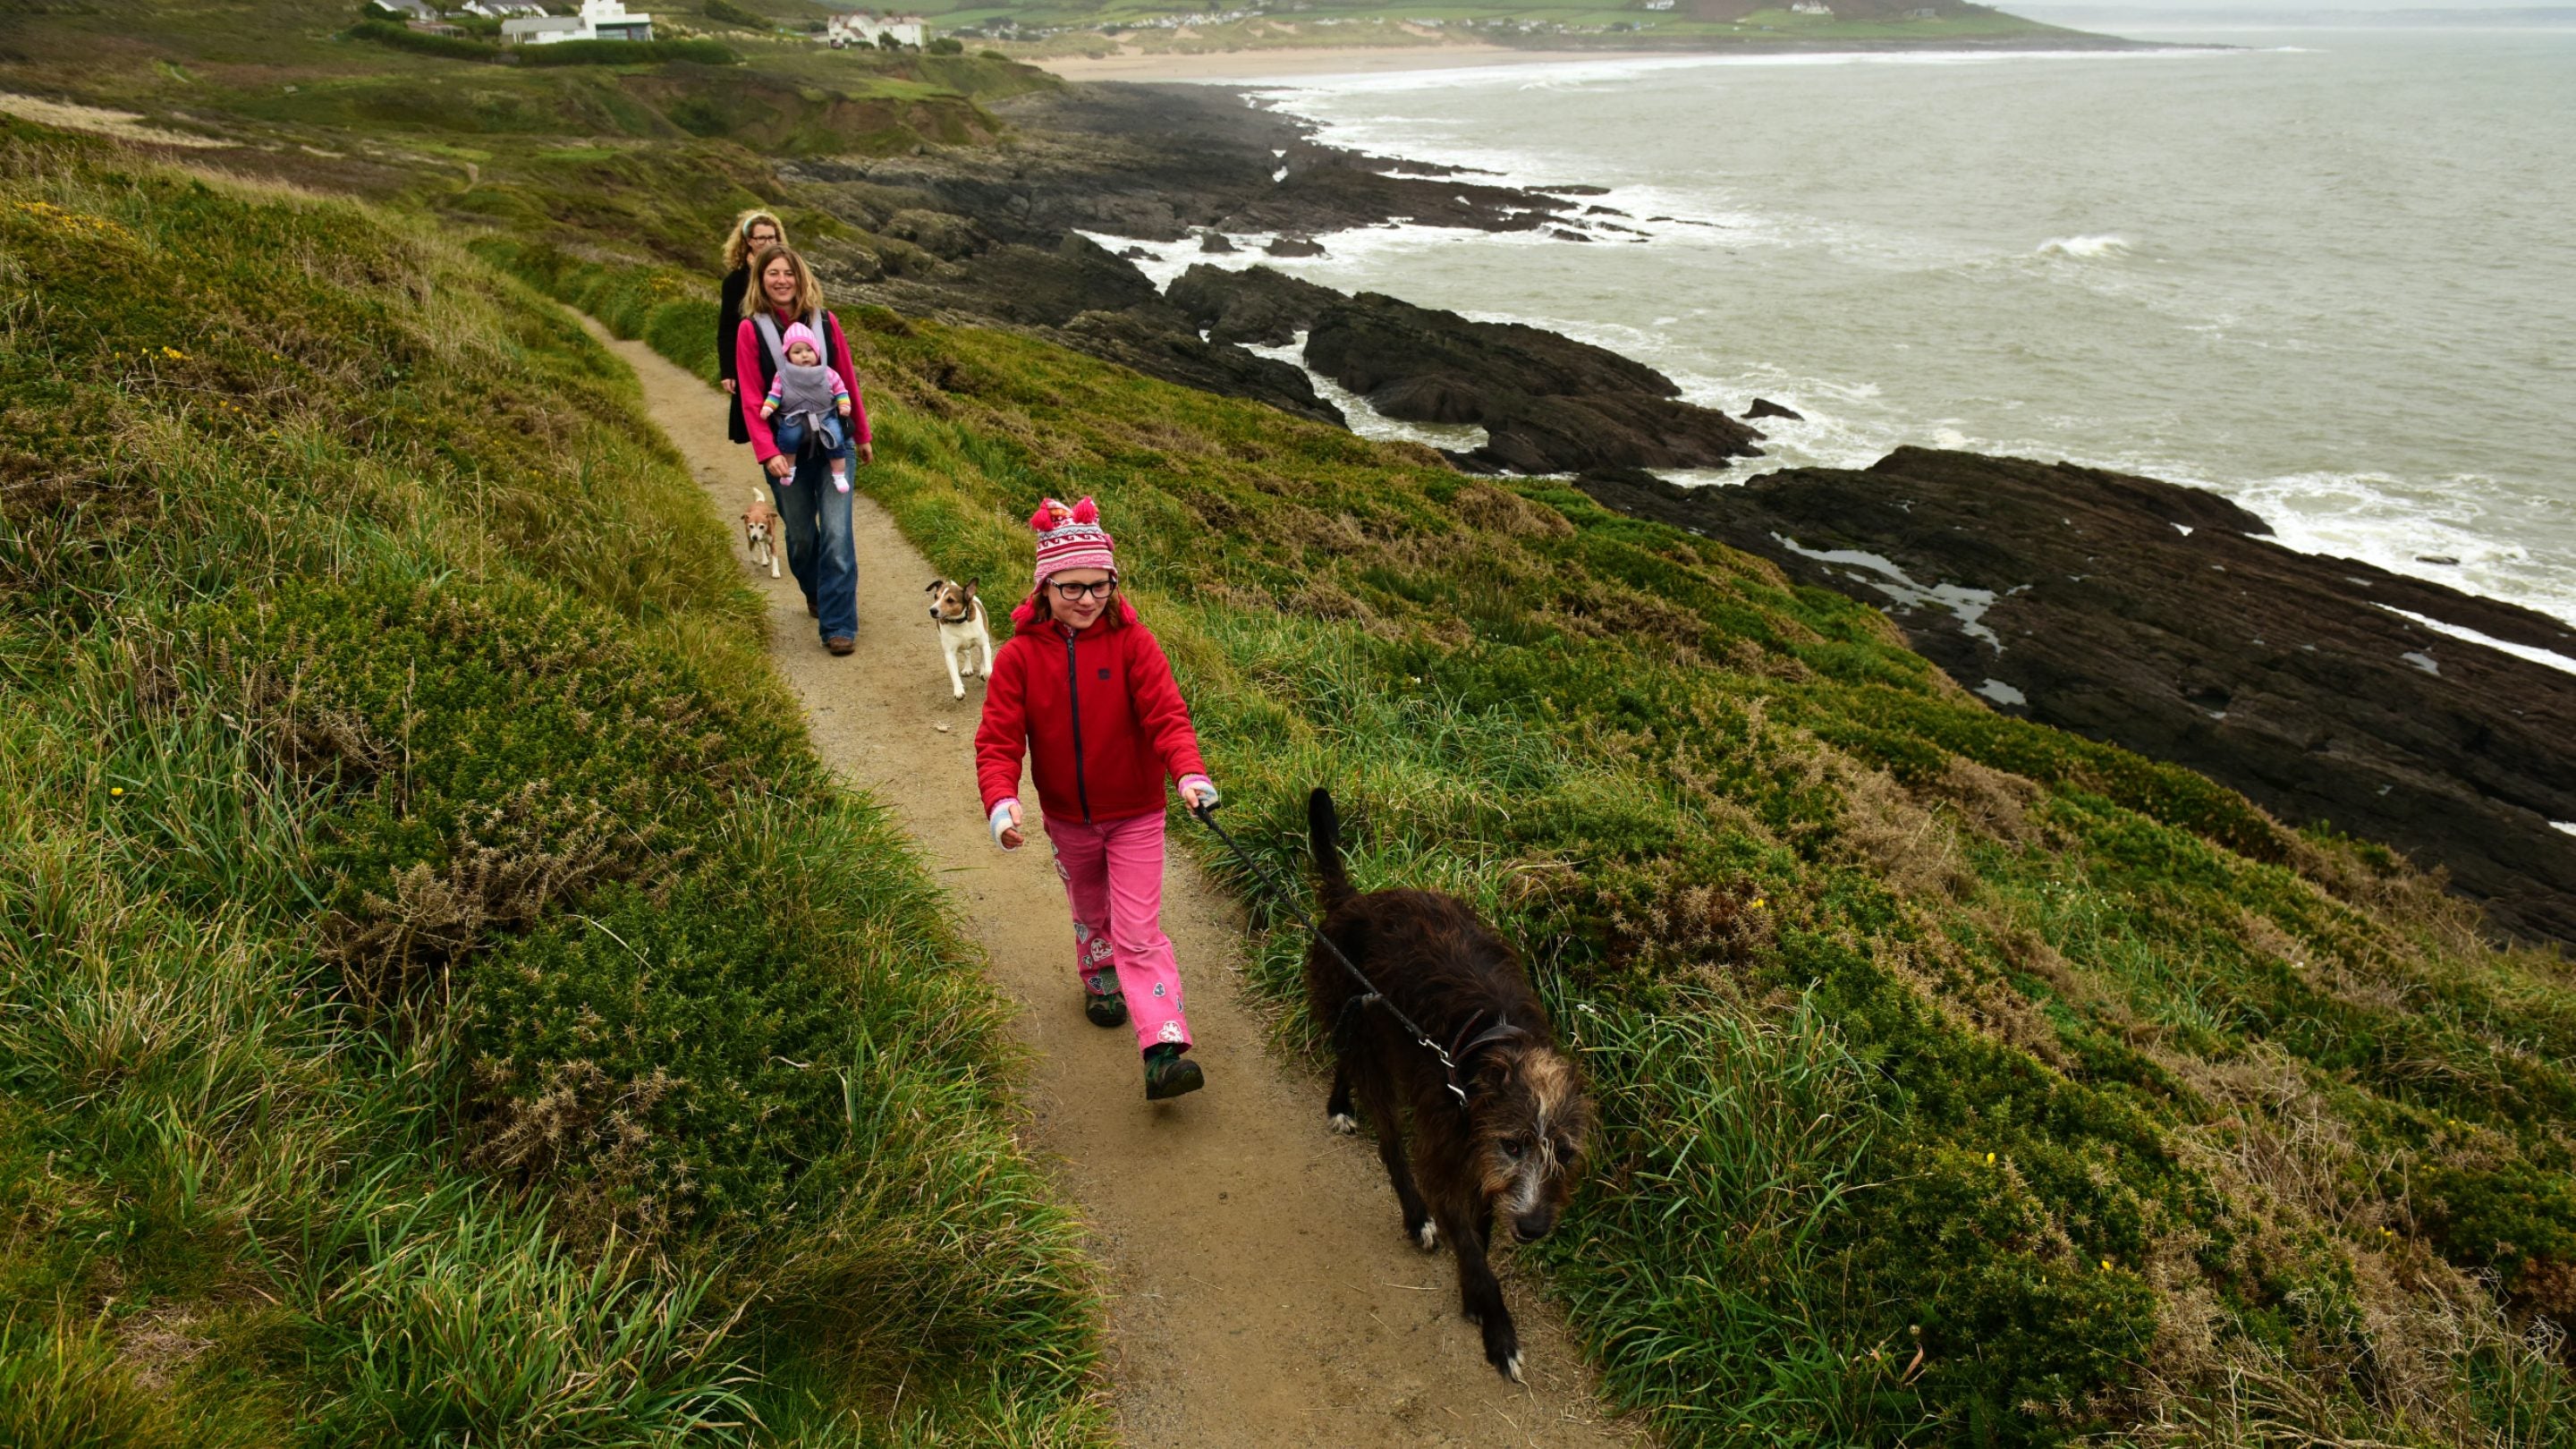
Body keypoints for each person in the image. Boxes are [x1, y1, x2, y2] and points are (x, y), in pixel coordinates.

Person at [975, 497, 1220, 1102]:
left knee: (1138, 931)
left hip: (1138, 813)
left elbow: (1168, 716)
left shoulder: (1134, 644)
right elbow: (998, 741)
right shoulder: (1017, 659)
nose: (1087, 600)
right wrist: (1000, 800)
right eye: (1071, 588)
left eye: (1099, 586)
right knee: (1090, 907)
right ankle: (1097, 975)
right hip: (1066, 818)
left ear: (1114, 583)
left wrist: (1189, 774)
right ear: (1043, 588)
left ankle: (1164, 1047)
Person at [734, 244, 872, 654]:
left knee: (836, 534)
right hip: (786, 450)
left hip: (834, 444)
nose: (781, 280)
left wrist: (861, 435)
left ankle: (839, 625)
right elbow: (750, 396)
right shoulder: (750, 330)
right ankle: (815, 591)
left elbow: (846, 379)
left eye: (788, 273)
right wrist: (766, 451)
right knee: (800, 539)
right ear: (760, 279)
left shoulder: (826, 323)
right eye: (772, 273)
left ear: (801, 277)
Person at [758, 321, 856, 493]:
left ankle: (839, 474)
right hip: (794, 418)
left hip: (825, 416)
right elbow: (775, 394)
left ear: (817, 352)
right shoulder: (782, 375)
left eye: (809, 350)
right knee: (789, 437)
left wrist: (844, 405)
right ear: (788, 355)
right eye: (797, 351)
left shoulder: (827, 372)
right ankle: (789, 469)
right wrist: (768, 407)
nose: (804, 355)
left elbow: (841, 390)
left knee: (836, 438)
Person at [716, 208, 784, 446]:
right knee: (761, 421)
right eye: (760, 238)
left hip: (785, 355)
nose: (767, 243)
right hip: (752, 358)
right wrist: (728, 371)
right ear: (748, 242)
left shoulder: (785, 275)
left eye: (771, 237)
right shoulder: (734, 281)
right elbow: (727, 328)